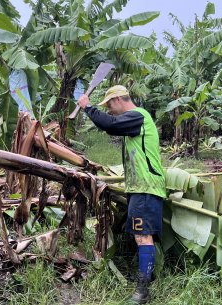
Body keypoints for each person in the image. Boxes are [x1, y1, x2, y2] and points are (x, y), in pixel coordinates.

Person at [78, 85, 166, 304]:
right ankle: (146, 278)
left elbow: (110, 125)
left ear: (118, 99)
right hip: (141, 187)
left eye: (109, 105)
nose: (109, 110)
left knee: (142, 236)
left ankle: (142, 292)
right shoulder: (136, 122)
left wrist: (87, 107)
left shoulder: (138, 117)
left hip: (146, 187)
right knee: (141, 234)